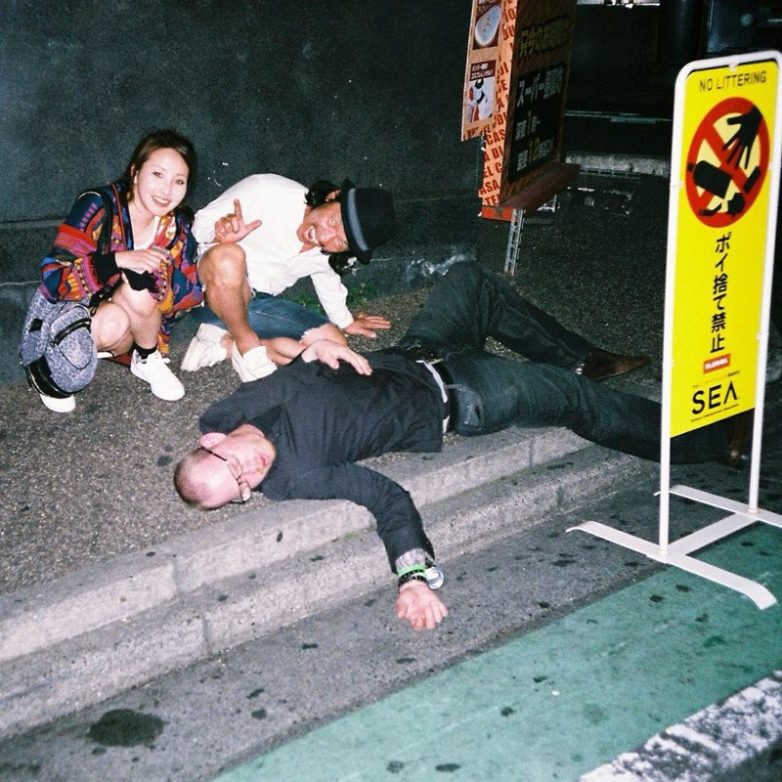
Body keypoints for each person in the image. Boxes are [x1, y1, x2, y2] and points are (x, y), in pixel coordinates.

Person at [171, 262, 748, 633]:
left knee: (471, 281)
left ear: (213, 441)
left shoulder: (232, 412)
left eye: (233, 466)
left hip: (416, 352)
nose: (251, 474)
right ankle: (712, 439)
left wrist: (313, 349)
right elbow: (386, 499)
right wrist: (413, 576)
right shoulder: (297, 475)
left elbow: (282, 365)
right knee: (574, 401)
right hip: (465, 394)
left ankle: (577, 356)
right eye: (242, 490)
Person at [35, 129, 203, 412]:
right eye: (158, 175)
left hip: (137, 330)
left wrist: (161, 277)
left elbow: (191, 296)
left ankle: (147, 358)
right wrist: (118, 261)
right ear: (136, 173)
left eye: (178, 181)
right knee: (112, 321)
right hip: (80, 316)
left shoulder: (175, 227)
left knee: (140, 289)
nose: (166, 191)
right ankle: (56, 365)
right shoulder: (98, 206)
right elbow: (53, 279)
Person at [181, 174, 397, 382]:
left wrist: (345, 322)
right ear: (332, 196)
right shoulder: (266, 190)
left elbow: (328, 280)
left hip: (257, 304)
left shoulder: (333, 252)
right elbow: (198, 227)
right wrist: (219, 237)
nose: (324, 237)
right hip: (208, 291)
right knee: (228, 257)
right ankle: (247, 345)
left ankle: (226, 344)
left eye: (341, 242)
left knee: (334, 347)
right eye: (333, 221)